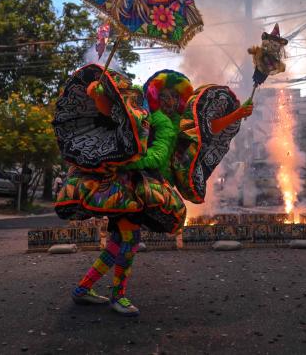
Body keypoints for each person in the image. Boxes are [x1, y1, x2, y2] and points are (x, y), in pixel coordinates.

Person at [53, 66, 252, 316]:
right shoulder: (152, 117)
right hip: (128, 189)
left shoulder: (170, 123)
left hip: (130, 186)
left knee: (117, 241)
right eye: (166, 95)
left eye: (175, 97)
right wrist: (97, 95)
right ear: (158, 95)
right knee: (128, 240)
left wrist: (238, 114)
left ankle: (83, 290)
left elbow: (206, 128)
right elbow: (120, 118)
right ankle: (117, 296)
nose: (171, 100)